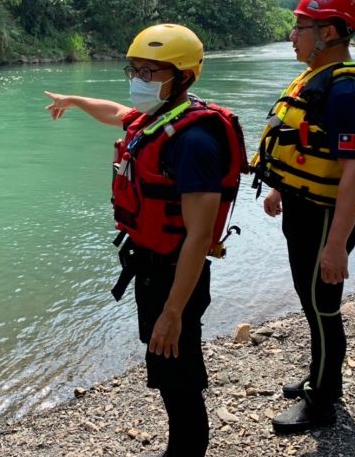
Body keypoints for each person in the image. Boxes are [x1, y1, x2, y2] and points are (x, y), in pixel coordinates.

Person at [45, 23, 247, 457]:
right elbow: (116, 112)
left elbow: (196, 236)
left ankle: (186, 451)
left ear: (183, 78)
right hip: (152, 267)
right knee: (166, 367)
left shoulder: (193, 141)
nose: (139, 80)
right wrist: (75, 101)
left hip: (177, 274)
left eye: (151, 72)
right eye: (134, 69)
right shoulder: (161, 117)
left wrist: (174, 311)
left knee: (179, 375)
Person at [250, 0, 355, 434]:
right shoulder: (318, 80)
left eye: (302, 27)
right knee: (311, 302)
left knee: (322, 309)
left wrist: (336, 244)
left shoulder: (347, 92)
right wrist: (280, 187)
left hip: (325, 221)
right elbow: (302, 143)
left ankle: (322, 402)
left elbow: (354, 173)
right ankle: (319, 377)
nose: (292, 35)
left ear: (332, 31)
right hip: (305, 209)